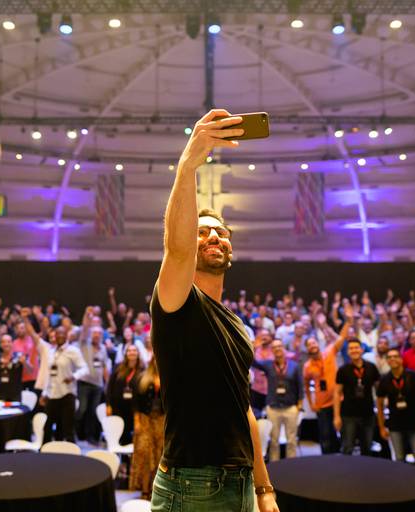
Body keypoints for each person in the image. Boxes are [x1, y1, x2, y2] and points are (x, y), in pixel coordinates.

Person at [149, 109, 278, 512]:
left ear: (231, 247)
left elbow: (243, 409)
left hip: (239, 483)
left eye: (220, 231)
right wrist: (188, 164)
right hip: (191, 485)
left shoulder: (238, 326)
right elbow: (178, 247)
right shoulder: (176, 301)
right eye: (203, 230)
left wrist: (263, 487)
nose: (213, 236)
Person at [376, 347, 415, 469]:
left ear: (401, 359)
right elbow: (379, 405)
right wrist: (381, 427)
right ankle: (404, 486)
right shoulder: (384, 380)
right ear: (387, 361)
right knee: (399, 459)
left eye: (395, 356)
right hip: (395, 425)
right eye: (389, 357)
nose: (392, 359)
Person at [302, 314, 351, 454]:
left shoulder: (329, 352)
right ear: (308, 349)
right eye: (309, 344)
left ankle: (344, 460)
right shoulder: (307, 366)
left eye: (314, 343)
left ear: (318, 344)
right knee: (325, 436)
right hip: (322, 405)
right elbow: (306, 385)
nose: (312, 345)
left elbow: (341, 338)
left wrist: (348, 322)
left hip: (338, 401)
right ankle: (326, 463)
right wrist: (311, 404)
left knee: (344, 433)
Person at [251, 339, 303, 461]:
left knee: (291, 440)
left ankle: (292, 465)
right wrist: (254, 348)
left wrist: (299, 404)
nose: (277, 348)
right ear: (272, 350)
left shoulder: (294, 366)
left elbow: (300, 386)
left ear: (283, 348)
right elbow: (253, 362)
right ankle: (275, 467)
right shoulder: (268, 364)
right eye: (274, 347)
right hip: (273, 407)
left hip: (290, 407)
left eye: (279, 346)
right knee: (274, 441)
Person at [40, 327, 88, 442]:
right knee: (47, 427)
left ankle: (73, 456)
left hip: (67, 394)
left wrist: (74, 376)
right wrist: (44, 393)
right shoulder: (51, 352)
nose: (60, 336)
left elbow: (85, 368)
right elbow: (48, 374)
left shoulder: (73, 350)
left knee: (67, 428)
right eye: (57, 334)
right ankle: (44, 454)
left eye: (62, 333)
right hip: (52, 394)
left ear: (67, 335)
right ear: (54, 336)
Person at [334, 338, 381, 456]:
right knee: (347, 447)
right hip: (348, 414)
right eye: (351, 348)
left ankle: (365, 473)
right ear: (348, 351)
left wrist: (381, 412)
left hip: (368, 413)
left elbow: (379, 390)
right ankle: (346, 473)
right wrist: (336, 416)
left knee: (367, 448)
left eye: (356, 347)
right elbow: (337, 393)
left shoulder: (371, 367)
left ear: (362, 349)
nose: (354, 350)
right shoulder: (343, 370)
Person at [130, 357, 165, 500]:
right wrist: (136, 421)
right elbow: (136, 402)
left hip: (162, 420)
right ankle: (144, 489)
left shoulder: (169, 378)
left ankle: (155, 489)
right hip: (145, 420)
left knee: (159, 455)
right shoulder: (142, 378)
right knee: (144, 454)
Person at [107, 344, 143, 445]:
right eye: (129, 351)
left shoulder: (142, 370)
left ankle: (127, 459)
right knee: (119, 433)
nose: (132, 352)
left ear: (138, 353)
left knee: (130, 435)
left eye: (134, 350)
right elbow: (110, 387)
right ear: (126, 354)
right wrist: (108, 405)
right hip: (118, 406)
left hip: (133, 407)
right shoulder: (117, 367)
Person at [0, 335, 24, 402]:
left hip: (15, 395)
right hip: (1, 394)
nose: (6, 344)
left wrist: (25, 362)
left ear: (12, 343)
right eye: (3, 342)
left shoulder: (19, 355)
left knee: (16, 412)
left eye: (9, 342)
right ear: (0, 344)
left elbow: (30, 371)